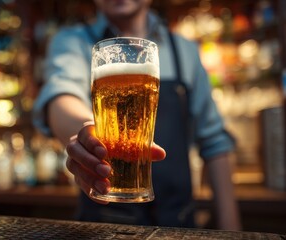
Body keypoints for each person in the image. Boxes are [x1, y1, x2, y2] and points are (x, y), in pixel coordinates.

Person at [32, 0, 241, 230]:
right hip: (103, 224)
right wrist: (88, 133)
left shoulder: (185, 50)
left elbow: (214, 142)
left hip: (178, 224)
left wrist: (231, 228)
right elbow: (61, 99)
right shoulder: (72, 41)